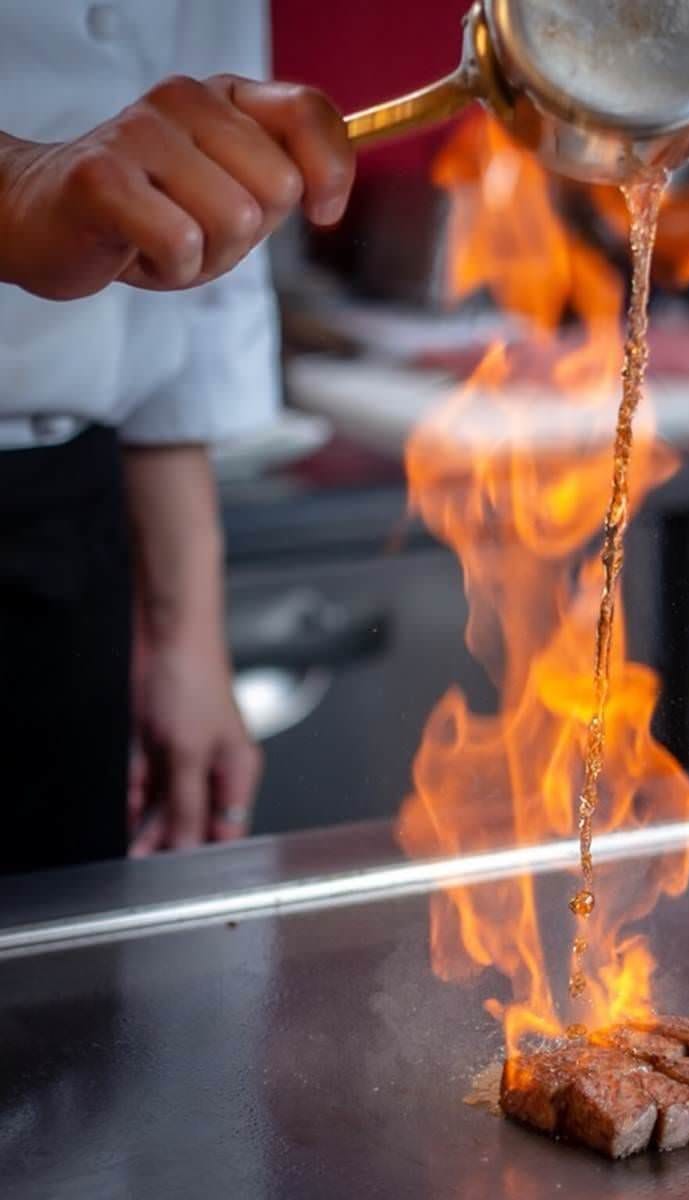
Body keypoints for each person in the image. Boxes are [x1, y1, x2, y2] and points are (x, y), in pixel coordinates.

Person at [0, 4, 354, 873]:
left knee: (57, 990)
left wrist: (184, 628)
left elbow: (200, 245)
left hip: (61, 524)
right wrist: (14, 183)